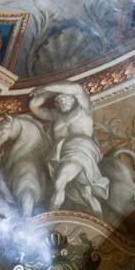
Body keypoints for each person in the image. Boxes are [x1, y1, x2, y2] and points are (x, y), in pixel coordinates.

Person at [28, 82, 109, 215]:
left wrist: (47, 87)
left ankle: (52, 215)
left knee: (60, 180)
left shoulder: (84, 109)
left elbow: (77, 88)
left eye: (65, 98)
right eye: (59, 100)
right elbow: (33, 106)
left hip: (81, 147)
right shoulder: (56, 116)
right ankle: (100, 219)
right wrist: (50, 93)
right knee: (85, 194)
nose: (62, 102)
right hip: (63, 153)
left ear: (73, 99)